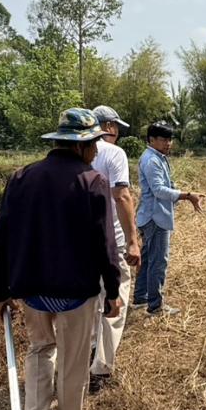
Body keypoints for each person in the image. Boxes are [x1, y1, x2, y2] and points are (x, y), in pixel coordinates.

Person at [0, 108, 122, 410]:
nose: (97, 150)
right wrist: (113, 291)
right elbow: (105, 244)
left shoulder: (21, 178)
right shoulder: (93, 182)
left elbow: (0, 237)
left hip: (31, 290)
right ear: (80, 146)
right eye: (94, 143)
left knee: (39, 350)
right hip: (75, 291)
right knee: (75, 363)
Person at [88, 105, 141, 394]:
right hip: (112, 240)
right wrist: (133, 240)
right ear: (108, 126)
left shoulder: (75, 152)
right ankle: (101, 368)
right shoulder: (113, 153)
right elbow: (122, 196)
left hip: (80, 243)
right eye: (116, 127)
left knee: (89, 301)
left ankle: (86, 353)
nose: (117, 133)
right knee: (114, 301)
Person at [133, 120, 202, 316]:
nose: (168, 143)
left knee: (148, 259)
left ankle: (141, 298)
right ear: (151, 139)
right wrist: (187, 195)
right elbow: (158, 190)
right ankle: (156, 306)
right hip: (155, 218)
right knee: (158, 261)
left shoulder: (157, 157)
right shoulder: (151, 160)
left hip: (152, 215)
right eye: (164, 139)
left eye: (170, 139)